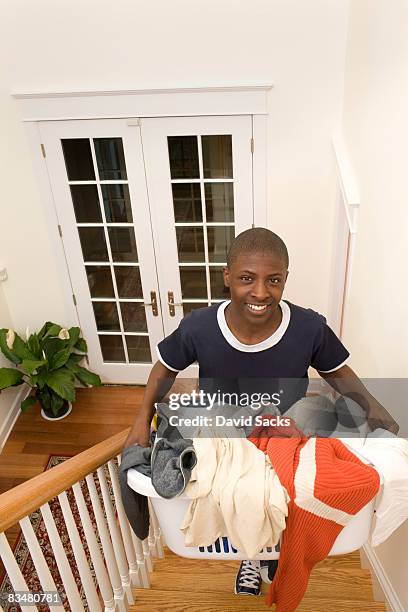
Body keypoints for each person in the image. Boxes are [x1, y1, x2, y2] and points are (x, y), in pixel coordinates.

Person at [124, 227, 398, 596]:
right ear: (227, 277)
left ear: (285, 279)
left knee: (283, 493)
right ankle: (250, 556)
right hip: (226, 432)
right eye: (246, 279)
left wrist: (375, 407)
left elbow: (337, 370)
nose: (259, 292)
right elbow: (164, 368)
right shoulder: (200, 327)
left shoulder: (308, 327)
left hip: (287, 433)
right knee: (235, 495)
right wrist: (141, 421)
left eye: (274, 280)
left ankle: (273, 550)